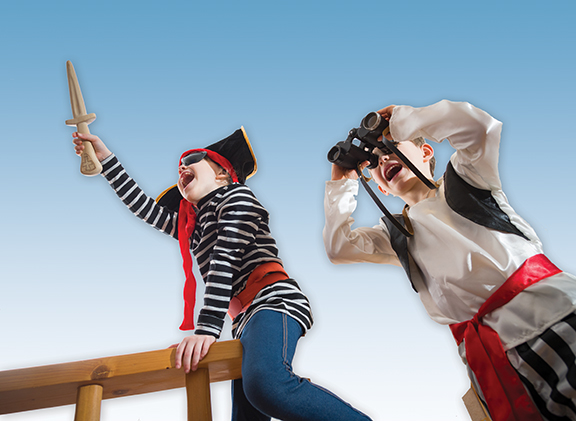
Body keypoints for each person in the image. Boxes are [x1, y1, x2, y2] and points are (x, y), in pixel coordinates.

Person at [73, 128, 371, 421]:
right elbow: (144, 209)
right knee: (246, 415)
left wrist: (206, 329)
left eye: (194, 159)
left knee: (268, 387)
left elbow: (225, 258)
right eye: (181, 166)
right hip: (243, 322)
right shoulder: (195, 228)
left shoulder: (238, 197)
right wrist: (106, 160)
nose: (182, 166)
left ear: (222, 174)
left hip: (273, 302)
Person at [323, 99, 576, 421]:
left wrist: (403, 119)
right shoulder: (398, 234)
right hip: (500, 361)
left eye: (390, 146)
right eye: (373, 162)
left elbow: (480, 129)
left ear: (426, 153)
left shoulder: (468, 180)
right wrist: (342, 182)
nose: (383, 157)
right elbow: (338, 247)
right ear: (382, 189)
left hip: (555, 316)